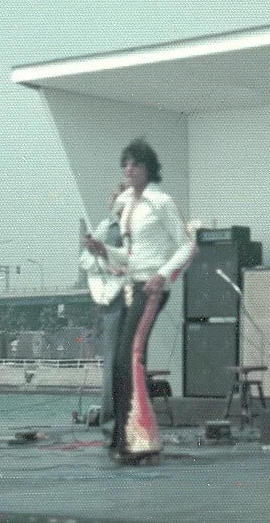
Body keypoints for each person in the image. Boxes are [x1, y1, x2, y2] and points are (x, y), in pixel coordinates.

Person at [84, 139, 195, 465]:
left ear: (148, 169)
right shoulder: (128, 206)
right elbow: (129, 257)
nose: (128, 169)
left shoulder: (161, 202)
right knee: (121, 363)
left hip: (151, 288)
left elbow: (187, 246)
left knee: (128, 360)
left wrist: (163, 273)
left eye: (134, 164)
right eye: (125, 164)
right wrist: (104, 251)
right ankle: (125, 436)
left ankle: (138, 440)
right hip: (133, 283)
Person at [80, 181, 128, 426]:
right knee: (113, 359)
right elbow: (86, 261)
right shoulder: (105, 227)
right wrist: (104, 261)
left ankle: (128, 417)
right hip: (114, 299)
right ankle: (112, 418)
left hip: (133, 295)